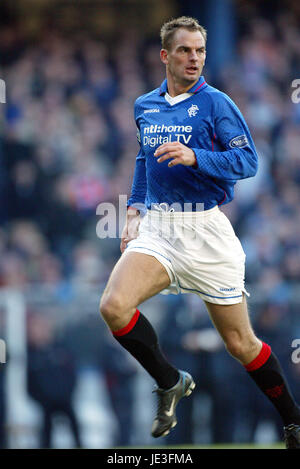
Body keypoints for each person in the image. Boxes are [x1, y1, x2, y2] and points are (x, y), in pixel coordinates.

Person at [100, 16, 300, 448]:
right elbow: (143, 158)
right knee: (114, 307)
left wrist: (196, 156)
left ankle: (293, 421)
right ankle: (170, 381)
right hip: (160, 228)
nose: (194, 58)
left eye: (200, 51)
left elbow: (248, 163)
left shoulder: (216, 104)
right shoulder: (144, 106)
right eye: (186, 50)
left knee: (240, 344)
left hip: (207, 231)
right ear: (165, 56)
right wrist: (133, 209)